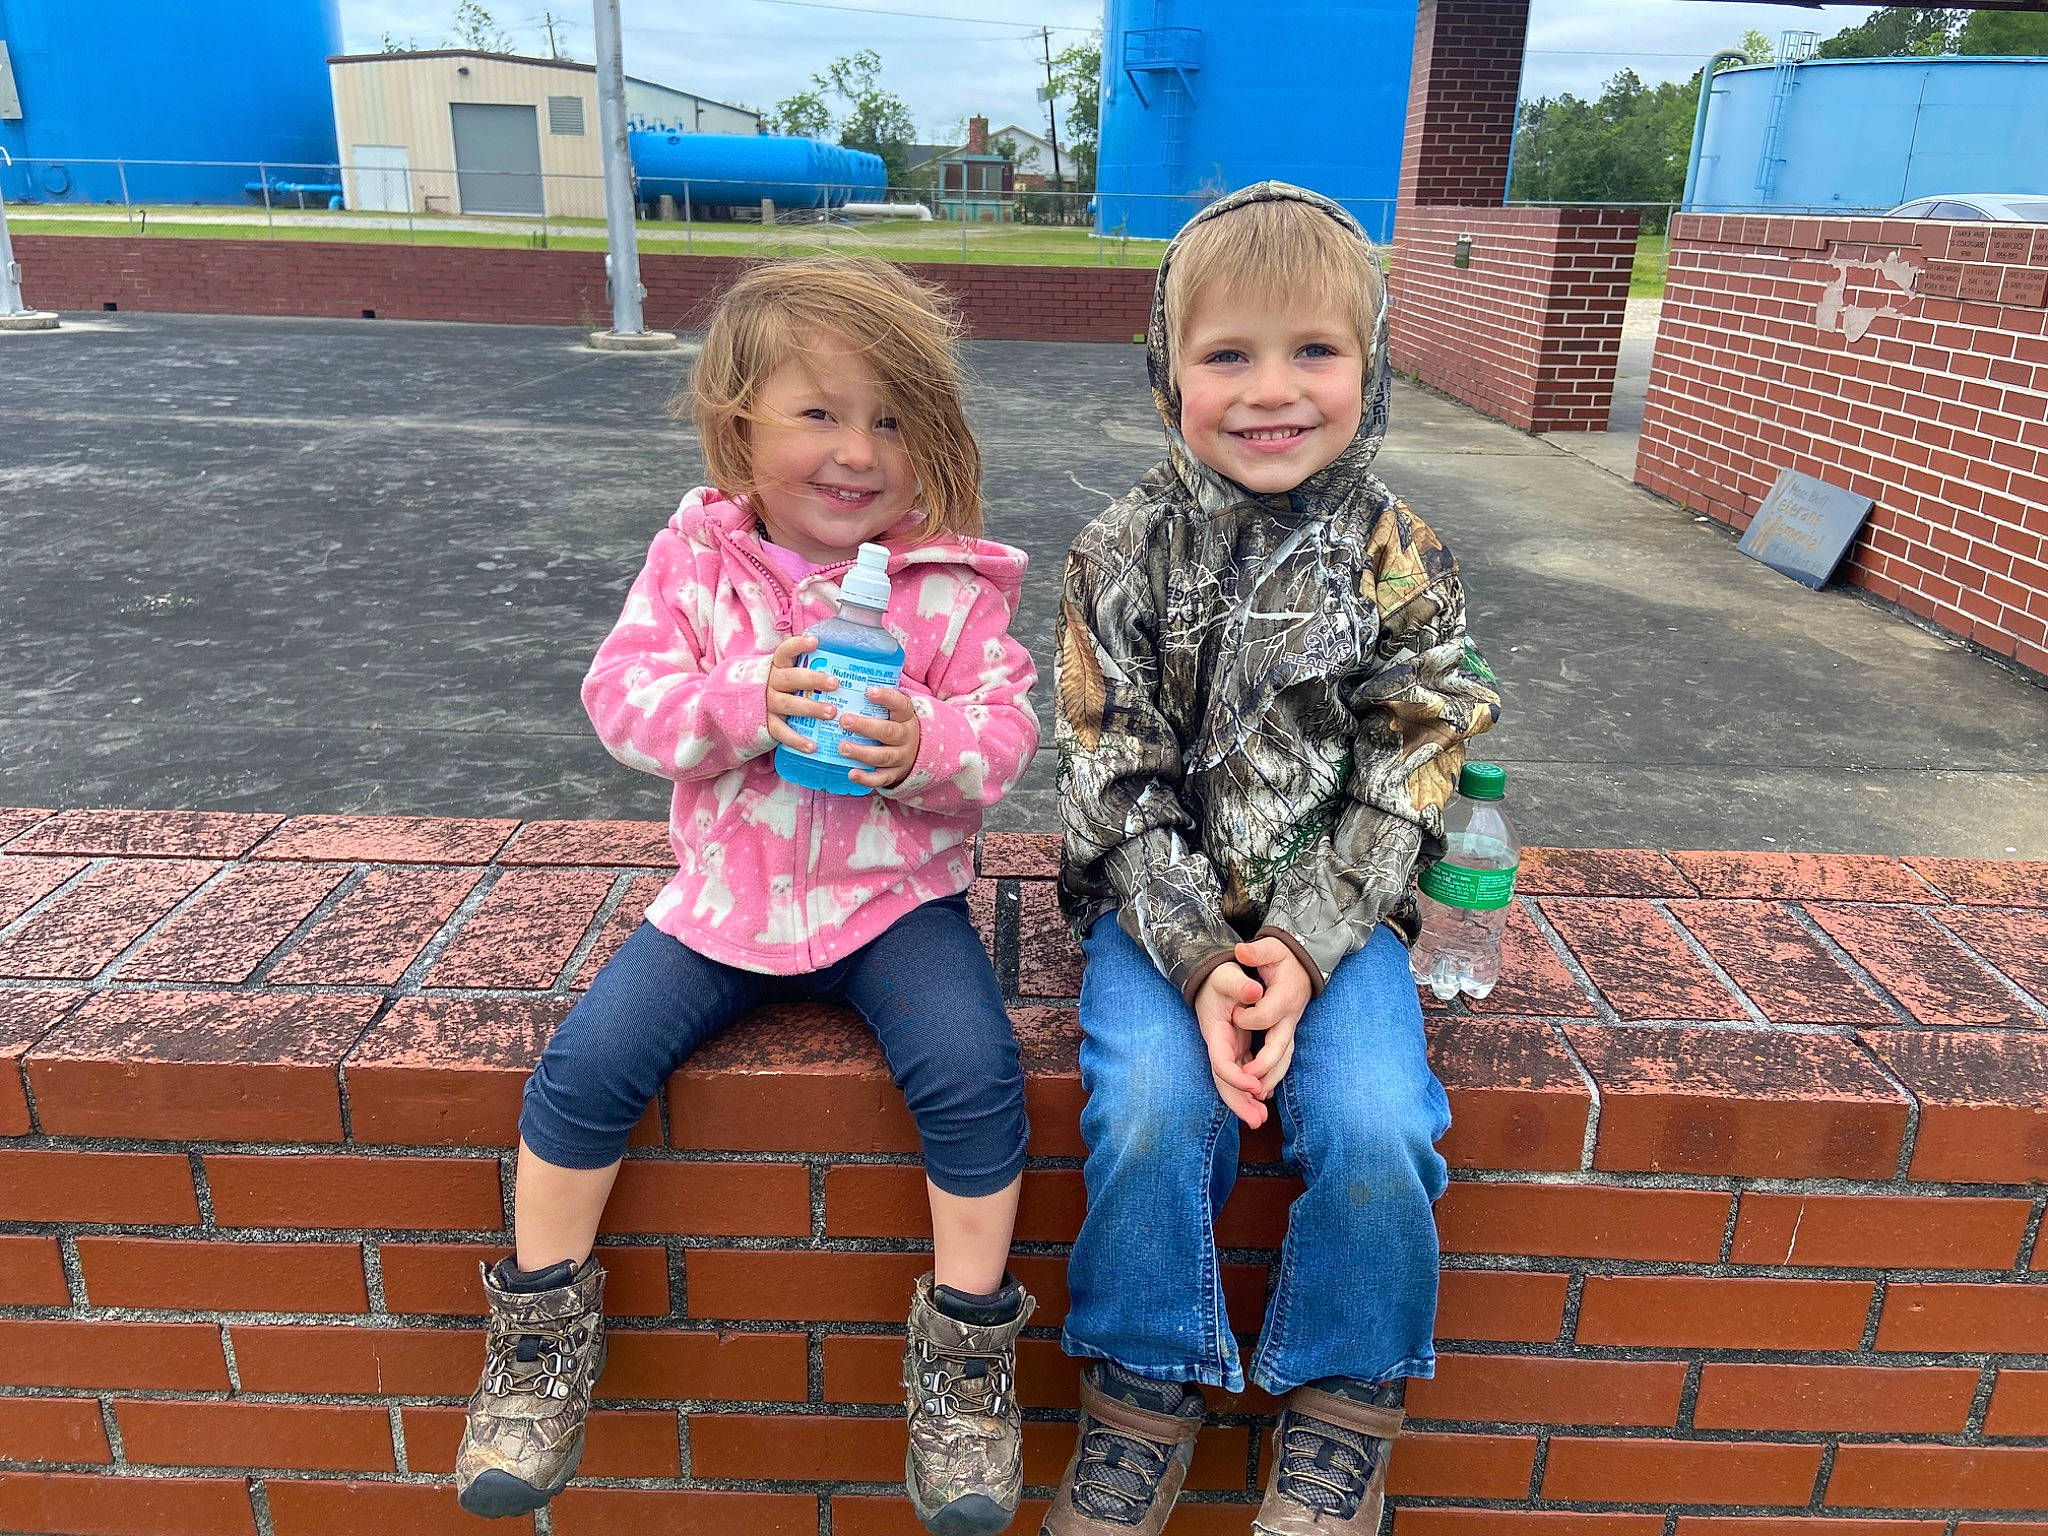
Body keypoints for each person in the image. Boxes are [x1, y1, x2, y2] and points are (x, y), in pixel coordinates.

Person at [454, 257, 1042, 1536]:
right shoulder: (697, 565)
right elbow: (620, 702)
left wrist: (924, 749)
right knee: (585, 1066)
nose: (857, 451)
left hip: (898, 906)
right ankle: (538, 1335)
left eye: (890, 419)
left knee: (973, 1071)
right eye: (817, 414)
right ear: (738, 428)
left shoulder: (948, 589)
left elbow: (1004, 736)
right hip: (724, 899)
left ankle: (965, 1357)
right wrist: (736, 705)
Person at [1048, 183, 1503, 1536]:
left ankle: (1346, 1412)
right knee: (1147, 1113)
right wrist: (1198, 965)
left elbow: (1412, 766)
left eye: (1314, 351)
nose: (1272, 391)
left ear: (1370, 366)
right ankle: (1141, 1394)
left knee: (1376, 1126)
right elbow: (1111, 770)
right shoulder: (1118, 554)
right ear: (1164, 370)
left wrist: (1303, 951)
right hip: (1158, 916)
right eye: (1226, 354)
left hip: (1339, 926)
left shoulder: (1404, 560)